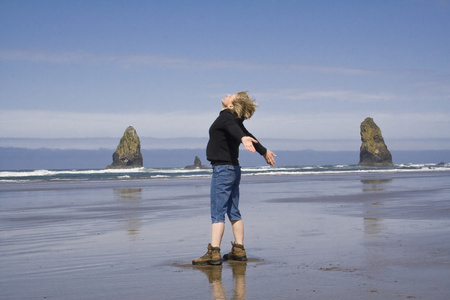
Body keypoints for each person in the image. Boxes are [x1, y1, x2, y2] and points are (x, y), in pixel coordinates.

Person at [192, 91, 276, 265]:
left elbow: (238, 131)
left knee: (217, 213)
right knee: (233, 211)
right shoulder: (234, 120)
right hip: (234, 170)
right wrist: (264, 151)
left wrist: (243, 138)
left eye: (232, 96)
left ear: (231, 105)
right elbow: (244, 132)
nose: (228, 94)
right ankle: (239, 249)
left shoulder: (226, 116)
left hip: (223, 170)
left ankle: (213, 252)